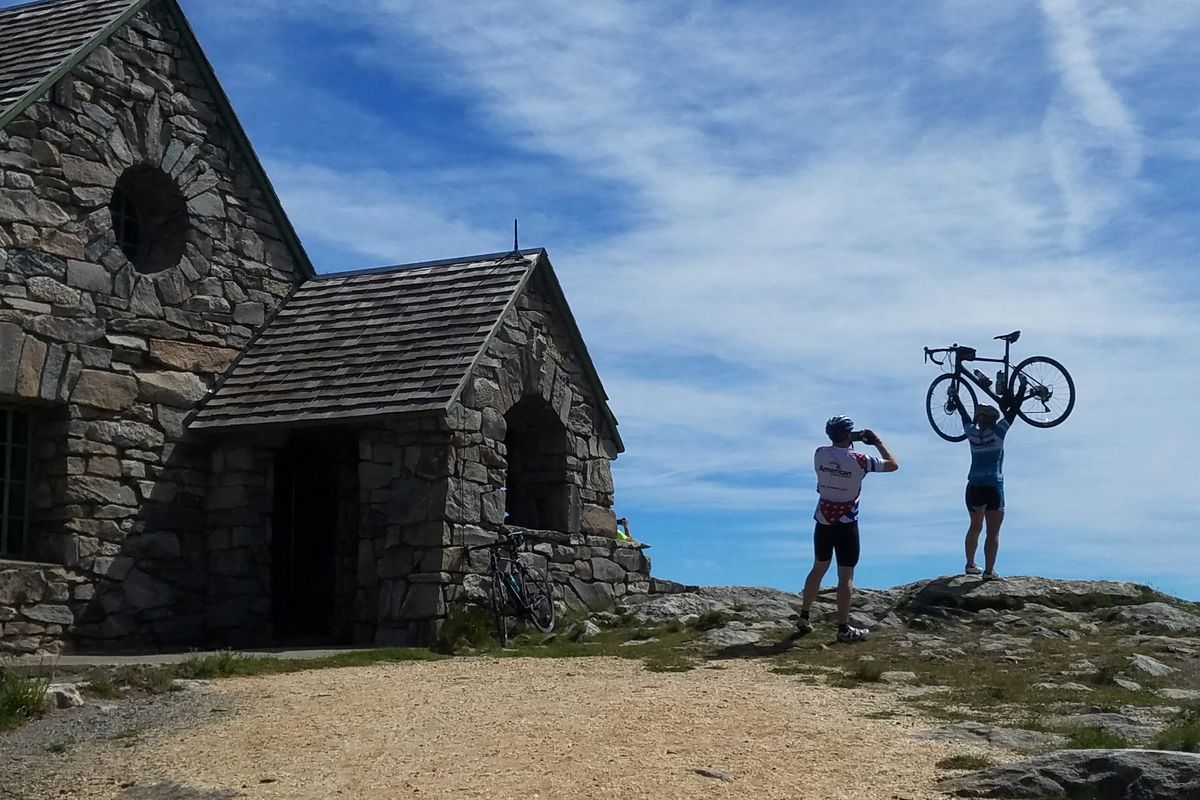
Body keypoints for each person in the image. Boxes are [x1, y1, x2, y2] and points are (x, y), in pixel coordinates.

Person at [796, 416, 899, 642]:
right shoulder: (860, 459)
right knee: (846, 577)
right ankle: (843, 628)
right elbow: (892, 464)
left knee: (818, 568)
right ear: (847, 436)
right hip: (847, 522)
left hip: (823, 519)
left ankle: (804, 616)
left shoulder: (819, 454)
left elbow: (835, 455)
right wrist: (877, 442)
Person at [952, 379, 1024, 580]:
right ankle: (989, 571)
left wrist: (956, 397)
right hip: (994, 486)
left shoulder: (973, 434)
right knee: (993, 532)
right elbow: (1013, 413)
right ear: (993, 419)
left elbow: (965, 417)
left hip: (973, 486)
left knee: (975, 526)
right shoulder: (998, 432)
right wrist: (1022, 389)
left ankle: (969, 564)